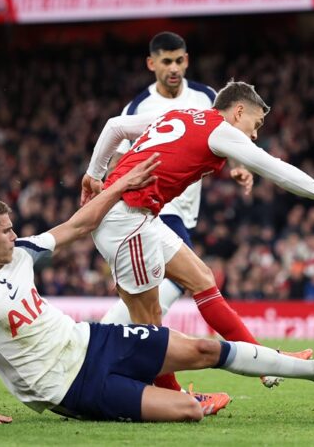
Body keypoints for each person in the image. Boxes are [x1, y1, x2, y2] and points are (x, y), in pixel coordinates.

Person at [0, 170, 314, 423]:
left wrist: (120, 186)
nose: (15, 235)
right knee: (188, 412)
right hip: (73, 389)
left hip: (94, 340)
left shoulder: (20, 254)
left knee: (206, 349)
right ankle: (183, 397)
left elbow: (78, 224)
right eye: (7, 230)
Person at [80, 81, 314, 390]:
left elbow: (114, 126)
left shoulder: (183, 113)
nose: (254, 134)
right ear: (238, 111)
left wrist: (94, 174)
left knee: (202, 279)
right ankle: (174, 397)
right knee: (150, 323)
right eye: (256, 123)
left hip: (138, 215)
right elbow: (275, 169)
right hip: (125, 220)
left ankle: (263, 362)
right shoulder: (219, 129)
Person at [99, 32, 274, 392]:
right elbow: (120, 154)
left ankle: (118, 341)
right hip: (153, 208)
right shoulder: (137, 108)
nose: (174, 68)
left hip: (182, 208)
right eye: (166, 61)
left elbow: (227, 139)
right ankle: (118, 342)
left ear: (187, 60)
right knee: (186, 281)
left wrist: (239, 166)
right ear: (152, 64)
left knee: (170, 289)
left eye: (179, 60)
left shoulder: (207, 97)